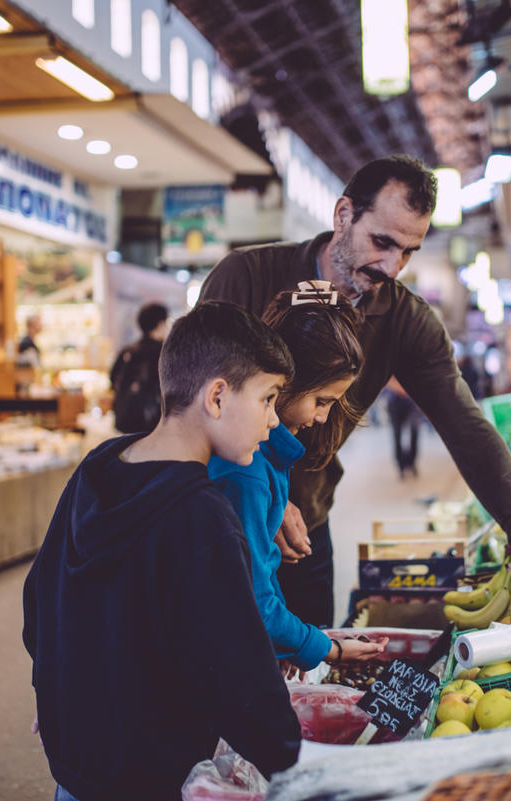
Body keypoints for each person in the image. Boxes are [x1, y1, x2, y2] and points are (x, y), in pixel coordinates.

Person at [201, 154, 511, 627]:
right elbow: (193, 401)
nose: (393, 267)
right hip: (221, 519)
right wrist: (268, 492)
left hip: (305, 529)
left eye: (409, 251)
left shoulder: (405, 320)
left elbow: (464, 423)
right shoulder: (246, 278)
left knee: (307, 677)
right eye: (382, 242)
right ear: (343, 215)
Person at [22, 302, 301, 801]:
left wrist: (58, 695)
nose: (273, 422)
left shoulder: (97, 469)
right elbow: (240, 676)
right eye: (268, 399)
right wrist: (295, 760)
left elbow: (38, 602)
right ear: (216, 396)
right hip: (155, 778)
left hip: (75, 770)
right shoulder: (202, 517)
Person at [210, 282, 387, 676]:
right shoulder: (247, 471)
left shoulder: (266, 461)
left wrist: (292, 641)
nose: (323, 417)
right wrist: (327, 649)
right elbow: (252, 602)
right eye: (321, 401)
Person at [110, 302, 169, 433]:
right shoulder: (164, 353)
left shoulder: (128, 352)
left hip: (124, 421)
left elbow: (112, 379)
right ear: (160, 324)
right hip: (152, 425)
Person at [384, 377, 421, 479]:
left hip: (411, 400)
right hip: (395, 400)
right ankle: (401, 466)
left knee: (414, 431)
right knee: (397, 434)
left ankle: (412, 462)